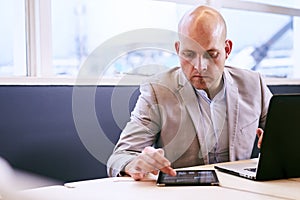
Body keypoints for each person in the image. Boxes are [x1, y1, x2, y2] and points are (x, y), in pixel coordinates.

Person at [107, 5, 272, 180]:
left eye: (211, 54)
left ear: (227, 49)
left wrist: (280, 143)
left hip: (243, 192)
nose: (200, 66)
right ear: (178, 50)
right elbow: (119, 158)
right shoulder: (157, 91)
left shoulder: (254, 85)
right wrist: (135, 163)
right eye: (189, 54)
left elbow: (288, 138)